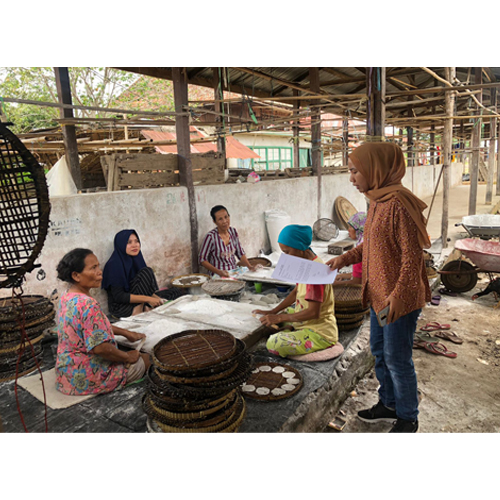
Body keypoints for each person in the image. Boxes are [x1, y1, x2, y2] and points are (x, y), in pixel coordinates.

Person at [327, 142, 431, 433]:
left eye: (354, 171)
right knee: (380, 352)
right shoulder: (376, 201)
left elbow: (413, 258)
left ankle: (408, 418)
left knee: (398, 359)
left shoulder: (399, 204)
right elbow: (369, 246)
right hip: (379, 297)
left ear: (375, 170)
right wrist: (344, 259)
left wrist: (398, 296)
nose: (351, 178)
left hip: (398, 300)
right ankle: (388, 404)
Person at [55, 248, 151, 396]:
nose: (100, 272)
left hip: (67, 374)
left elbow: (94, 326)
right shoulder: (88, 304)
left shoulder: (67, 297)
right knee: (147, 358)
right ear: (76, 275)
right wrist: (128, 357)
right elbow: (101, 349)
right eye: (93, 268)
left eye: (98, 266)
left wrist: (126, 333)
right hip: (88, 378)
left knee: (124, 349)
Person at [253, 224, 338, 358]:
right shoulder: (305, 264)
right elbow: (296, 292)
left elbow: (313, 312)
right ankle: (292, 328)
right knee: (282, 314)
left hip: (320, 332)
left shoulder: (315, 272)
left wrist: (279, 317)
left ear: (300, 248)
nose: (286, 256)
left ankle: (295, 332)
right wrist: (273, 311)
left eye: (287, 252)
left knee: (274, 343)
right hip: (307, 322)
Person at [102, 229, 181, 318]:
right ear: (121, 245)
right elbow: (119, 296)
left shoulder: (137, 259)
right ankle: (141, 309)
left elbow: (144, 288)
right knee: (146, 272)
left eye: (137, 241)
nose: (134, 245)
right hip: (122, 307)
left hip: (139, 299)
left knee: (175, 292)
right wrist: (149, 299)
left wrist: (157, 299)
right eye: (129, 242)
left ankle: (145, 306)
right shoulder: (114, 264)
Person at [199, 205, 256, 277]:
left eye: (226, 217)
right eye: (220, 219)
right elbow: (202, 260)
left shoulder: (233, 231)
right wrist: (219, 272)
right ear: (215, 222)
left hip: (233, 272)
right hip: (218, 275)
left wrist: (249, 266)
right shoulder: (211, 237)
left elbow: (240, 253)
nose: (225, 221)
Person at [335, 211, 367, 285]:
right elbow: (361, 274)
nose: (348, 230)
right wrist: (342, 276)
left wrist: (334, 283)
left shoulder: (361, 249)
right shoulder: (366, 241)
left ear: (359, 228)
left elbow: (358, 282)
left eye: (350, 227)